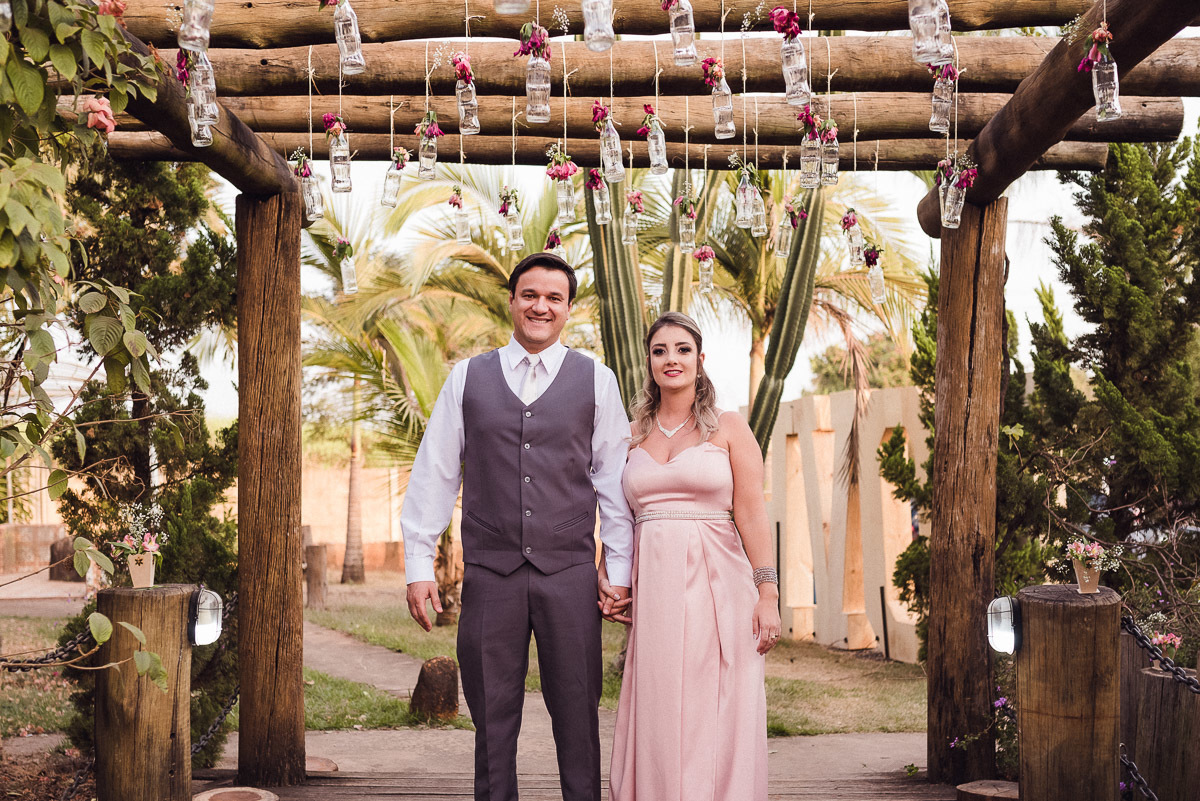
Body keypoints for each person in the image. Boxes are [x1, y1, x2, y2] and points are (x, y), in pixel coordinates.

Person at [401, 252, 635, 801]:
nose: (540, 306)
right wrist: (418, 564)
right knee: (492, 718)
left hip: (569, 575)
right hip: (491, 574)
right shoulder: (467, 378)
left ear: (569, 309)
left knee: (578, 716)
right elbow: (435, 472)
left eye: (554, 298)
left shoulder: (597, 381)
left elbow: (614, 483)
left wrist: (619, 571)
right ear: (511, 301)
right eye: (530, 295)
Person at [604, 311, 780, 801]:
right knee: (659, 700)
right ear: (648, 361)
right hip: (656, 589)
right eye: (660, 350)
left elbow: (751, 512)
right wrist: (610, 574)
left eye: (682, 350)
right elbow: (615, 514)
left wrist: (768, 594)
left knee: (716, 701)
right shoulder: (630, 434)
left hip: (719, 584)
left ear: (700, 359)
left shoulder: (728, 427)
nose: (671, 359)